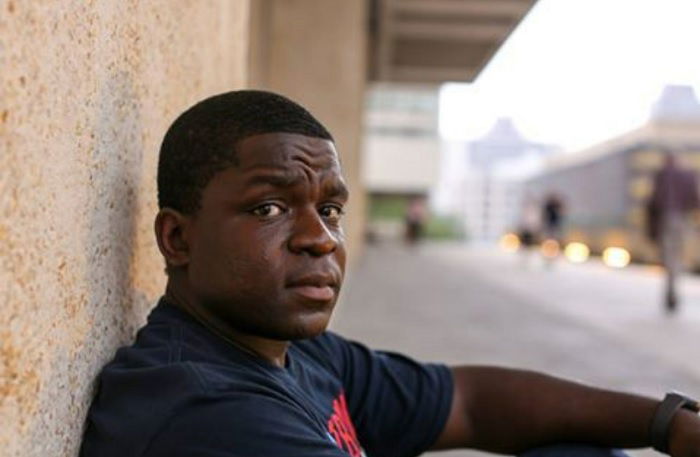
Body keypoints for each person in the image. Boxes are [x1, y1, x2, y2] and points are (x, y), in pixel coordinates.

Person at [80, 91, 700, 457]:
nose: (319, 240)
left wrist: (668, 422)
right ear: (178, 238)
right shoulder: (205, 410)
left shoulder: (295, 354)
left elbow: (472, 402)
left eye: (329, 210)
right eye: (268, 208)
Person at [646, 151, 700, 313]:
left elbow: (654, 201)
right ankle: (675, 282)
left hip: (666, 219)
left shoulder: (661, 175)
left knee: (669, 256)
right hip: (683, 220)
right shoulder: (688, 175)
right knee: (678, 255)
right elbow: (695, 199)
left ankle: (671, 287)